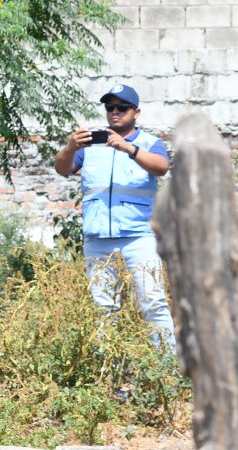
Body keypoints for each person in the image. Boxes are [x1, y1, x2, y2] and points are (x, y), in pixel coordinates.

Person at [54, 84, 176, 352]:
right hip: (98, 239)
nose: (115, 112)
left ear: (137, 112)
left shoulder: (148, 143)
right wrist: (70, 145)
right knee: (104, 308)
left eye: (122, 107)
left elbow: (162, 167)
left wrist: (128, 149)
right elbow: (63, 168)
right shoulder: (90, 144)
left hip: (139, 237)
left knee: (152, 302)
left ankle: (168, 371)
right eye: (110, 107)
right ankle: (110, 376)